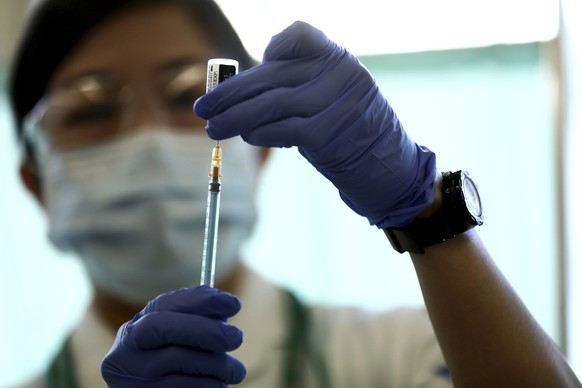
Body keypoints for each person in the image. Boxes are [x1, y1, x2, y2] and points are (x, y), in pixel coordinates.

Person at [7, 0, 580, 387]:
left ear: (258, 146)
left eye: (186, 95)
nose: (147, 138)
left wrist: (425, 211)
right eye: (93, 109)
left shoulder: (397, 354)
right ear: (36, 182)